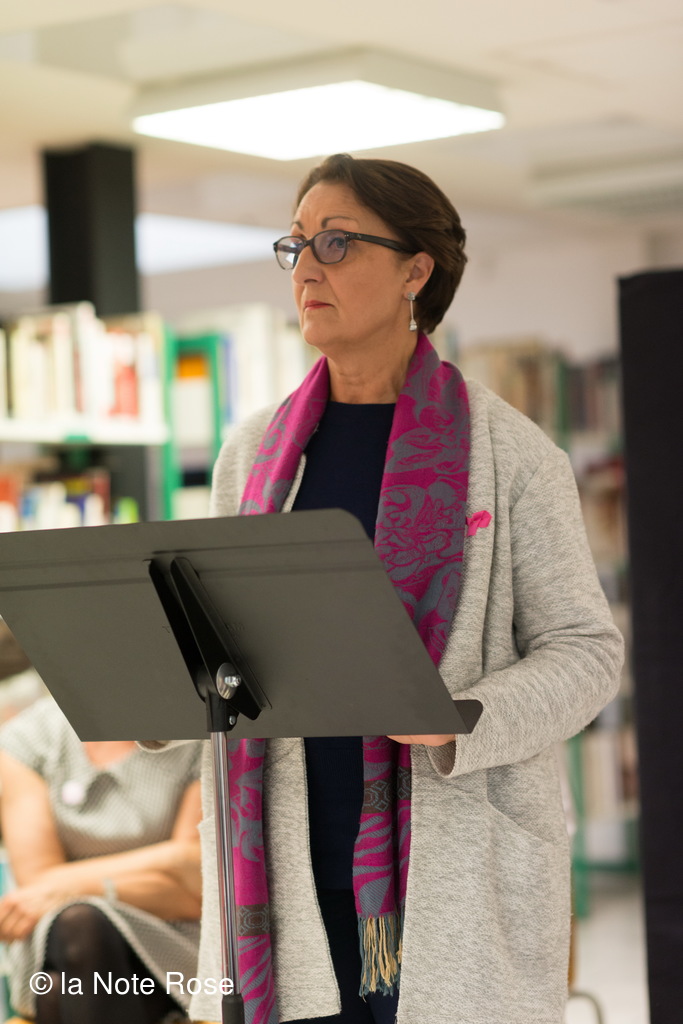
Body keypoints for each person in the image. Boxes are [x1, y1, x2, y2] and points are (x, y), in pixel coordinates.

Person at [176, 153, 624, 1024]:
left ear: (416, 270)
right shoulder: (251, 453)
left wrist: (460, 716)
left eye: (336, 243)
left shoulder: (512, 455)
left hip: (449, 855)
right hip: (283, 848)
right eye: (296, 244)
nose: (306, 269)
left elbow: (585, 651)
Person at [0, 696, 203, 1024]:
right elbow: (36, 882)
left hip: (172, 937)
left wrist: (73, 888)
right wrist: (172, 858)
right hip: (60, 935)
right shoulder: (29, 737)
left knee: (58, 991)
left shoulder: (197, 734)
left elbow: (195, 888)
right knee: (80, 926)